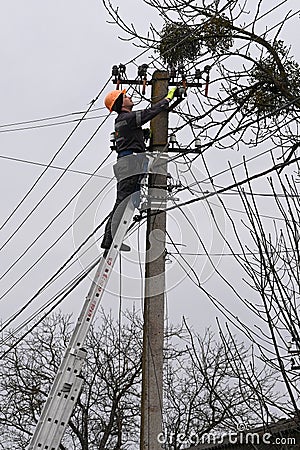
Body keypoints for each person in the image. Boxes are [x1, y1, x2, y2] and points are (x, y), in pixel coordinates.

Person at [101, 87, 177, 252]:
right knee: (123, 202)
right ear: (121, 104)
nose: (129, 97)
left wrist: (142, 135)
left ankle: (112, 237)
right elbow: (149, 113)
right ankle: (110, 239)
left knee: (129, 201)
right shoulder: (128, 118)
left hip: (128, 163)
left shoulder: (123, 120)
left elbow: (131, 135)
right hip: (130, 164)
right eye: (126, 97)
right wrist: (166, 100)